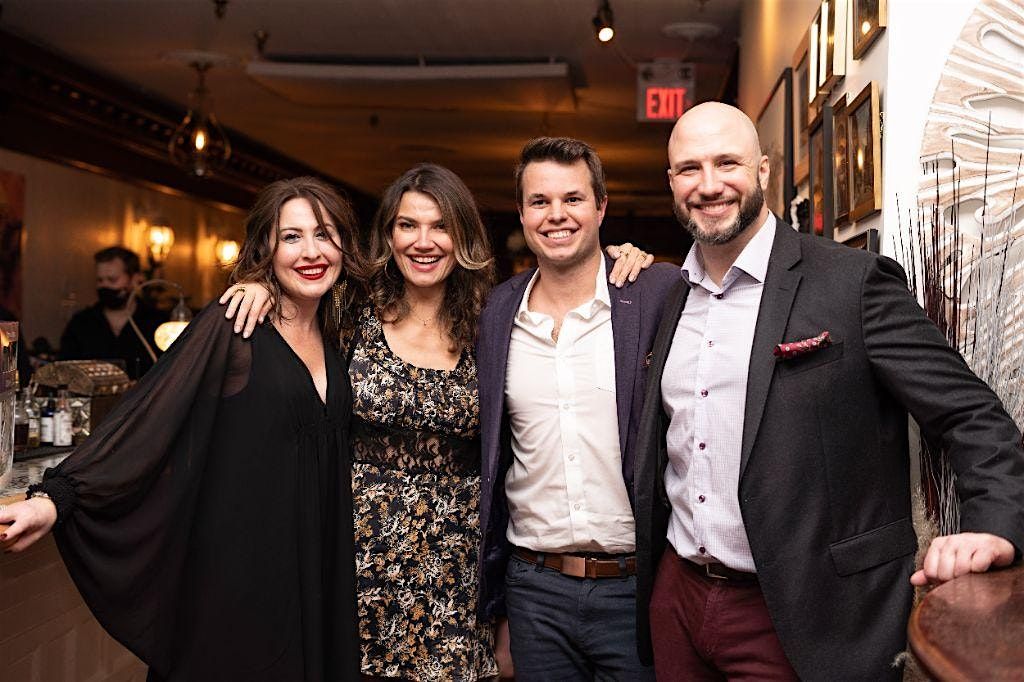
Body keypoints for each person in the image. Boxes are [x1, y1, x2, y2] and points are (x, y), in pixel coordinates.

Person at [633, 102, 1024, 680]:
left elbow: (972, 414)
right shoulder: (672, 297)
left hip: (808, 614)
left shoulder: (851, 282)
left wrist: (992, 524)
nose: (709, 185)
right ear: (671, 181)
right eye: (690, 168)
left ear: (763, 170)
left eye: (727, 163)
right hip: (680, 599)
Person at [222, 164, 651, 681]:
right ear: (389, 234)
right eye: (408, 225)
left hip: (459, 571)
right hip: (356, 562)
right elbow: (300, 289)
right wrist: (261, 286)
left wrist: (622, 257)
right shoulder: (348, 310)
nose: (423, 242)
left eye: (441, 226)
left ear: (462, 236)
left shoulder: (495, 318)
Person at [0, 177, 362, 681]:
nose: (311, 252)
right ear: (266, 249)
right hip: (238, 577)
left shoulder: (340, 331)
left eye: (323, 234)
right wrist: (55, 499)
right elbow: (147, 418)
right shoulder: (233, 325)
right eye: (291, 237)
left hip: (315, 569)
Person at [475, 137, 678, 680]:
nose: (556, 215)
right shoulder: (495, 313)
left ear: (601, 207)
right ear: (522, 213)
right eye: (539, 201)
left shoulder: (655, 294)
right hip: (534, 591)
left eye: (573, 198)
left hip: (636, 589)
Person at [59, 246, 168, 379]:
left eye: (112, 280)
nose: (104, 286)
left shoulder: (158, 324)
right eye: (100, 280)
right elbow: (65, 372)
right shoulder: (81, 323)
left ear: (135, 279)